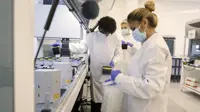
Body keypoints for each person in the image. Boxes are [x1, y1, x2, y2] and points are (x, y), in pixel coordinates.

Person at [110, 1, 172, 112]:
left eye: (133, 28)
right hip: (140, 105)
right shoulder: (148, 44)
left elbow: (151, 87)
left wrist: (120, 78)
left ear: (144, 23)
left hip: (148, 107)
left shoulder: (156, 47)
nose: (133, 33)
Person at [85, 16, 122, 112]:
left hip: (108, 70)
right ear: (100, 28)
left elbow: (119, 53)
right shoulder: (92, 36)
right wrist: (67, 47)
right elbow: (82, 47)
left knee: (107, 98)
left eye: (108, 33)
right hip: (96, 71)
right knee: (96, 99)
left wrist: (114, 61)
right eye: (105, 32)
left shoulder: (114, 37)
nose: (107, 34)